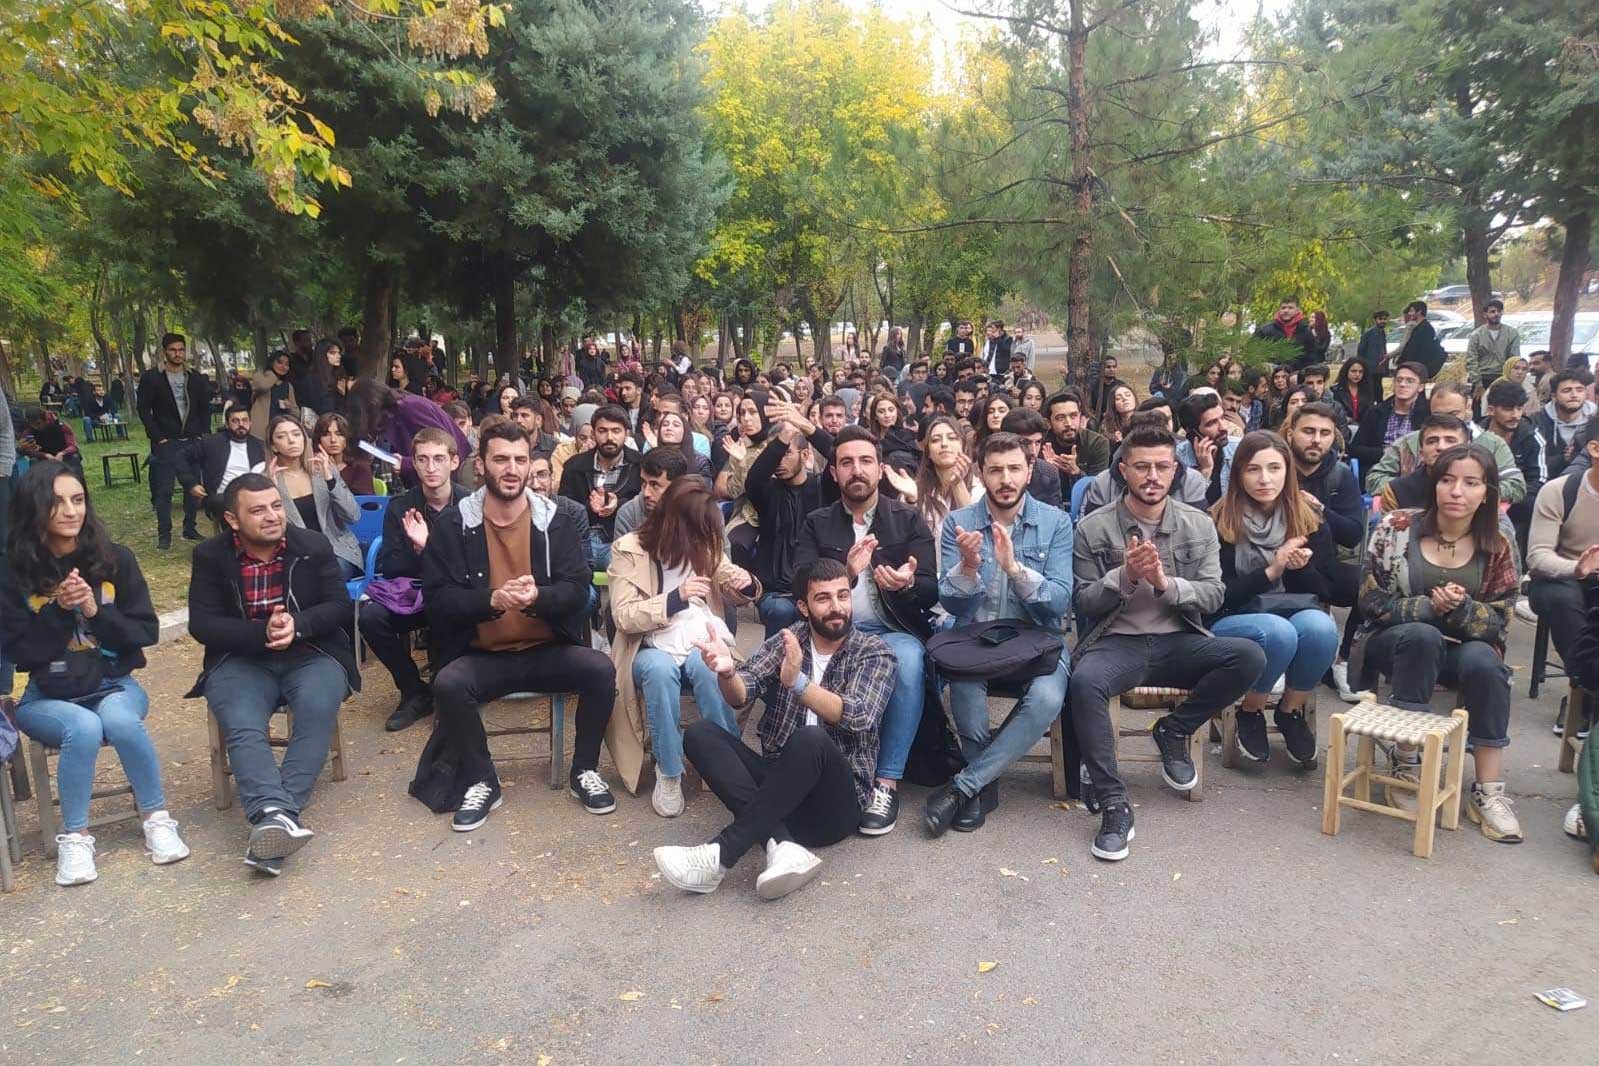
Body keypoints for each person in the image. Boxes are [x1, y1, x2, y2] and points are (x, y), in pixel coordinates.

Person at [1069, 425, 1266, 861]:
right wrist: (1124, 577)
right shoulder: (1093, 527)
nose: (1152, 475)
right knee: (1083, 682)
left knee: (1249, 655)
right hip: (1117, 640)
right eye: (1142, 466)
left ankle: (1174, 730)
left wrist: (1165, 583)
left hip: (1179, 639)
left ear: (1175, 470)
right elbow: (1082, 600)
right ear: (1124, 470)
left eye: (1162, 466)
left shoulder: (1198, 524)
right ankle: (1115, 804)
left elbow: (1215, 595)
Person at [651, 557, 893, 898]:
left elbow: (858, 715)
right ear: (803, 607)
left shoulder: (874, 652)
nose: (836, 607)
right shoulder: (788, 639)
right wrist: (726, 673)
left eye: (843, 595)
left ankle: (720, 855)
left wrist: (799, 684)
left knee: (811, 739)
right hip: (781, 785)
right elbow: (741, 693)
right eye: (823, 598)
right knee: (701, 734)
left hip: (835, 805)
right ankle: (781, 844)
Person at [423, 422, 618, 830]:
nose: (512, 469)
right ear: (480, 465)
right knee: (448, 683)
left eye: (520, 459)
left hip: (547, 649)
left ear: (531, 465)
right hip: (483, 654)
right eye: (500, 459)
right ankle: (482, 779)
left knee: (600, 668)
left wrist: (538, 598)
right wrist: (490, 600)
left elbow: (578, 588)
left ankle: (584, 769)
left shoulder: (557, 519)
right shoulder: (453, 525)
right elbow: (437, 602)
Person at [0, 461, 187, 886]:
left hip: (114, 682)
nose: (71, 510)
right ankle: (76, 838)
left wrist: (93, 609)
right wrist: (58, 612)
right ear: (34, 509)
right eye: (58, 502)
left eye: (78, 499)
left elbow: (144, 633)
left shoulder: (115, 559)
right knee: (83, 727)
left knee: (119, 717)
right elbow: (21, 653)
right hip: (48, 695)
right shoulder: (13, 573)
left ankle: (156, 817)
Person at [188, 473, 359, 875]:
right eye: (258, 510)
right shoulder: (211, 556)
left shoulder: (312, 546)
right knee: (243, 724)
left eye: (276, 506)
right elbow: (203, 624)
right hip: (241, 657)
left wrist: (297, 625)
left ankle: (272, 817)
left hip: (312, 652)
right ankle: (280, 818)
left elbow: (338, 606)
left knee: (317, 709)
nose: (272, 516)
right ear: (233, 520)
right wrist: (258, 633)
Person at [1354, 444, 1522, 843]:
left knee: (1486, 662)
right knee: (1422, 636)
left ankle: (1487, 790)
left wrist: (1461, 609)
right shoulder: (1395, 527)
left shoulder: (1498, 542)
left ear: (1487, 492)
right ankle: (1407, 762)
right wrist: (1427, 606)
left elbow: (1502, 620)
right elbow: (1369, 601)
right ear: (1433, 486)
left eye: (1470, 483)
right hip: (1394, 640)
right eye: (1447, 480)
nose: (1456, 492)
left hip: (1463, 645)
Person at [924, 431, 1074, 835]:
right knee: (966, 694)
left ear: (1028, 472)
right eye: (995, 470)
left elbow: (1059, 603)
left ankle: (966, 786)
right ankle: (981, 786)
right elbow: (953, 605)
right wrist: (969, 568)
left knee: (1046, 699)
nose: (1005, 479)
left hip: (1039, 642)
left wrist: (1014, 569)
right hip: (976, 642)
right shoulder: (960, 523)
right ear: (982, 473)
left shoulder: (1056, 522)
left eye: (1014, 469)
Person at [791, 425, 934, 835]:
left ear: (881, 469)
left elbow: (931, 587)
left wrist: (907, 583)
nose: (857, 470)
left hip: (892, 630)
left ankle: (885, 782)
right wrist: (846, 574)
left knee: (907, 660)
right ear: (833, 472)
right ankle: (813, 770)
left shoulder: (906, 519)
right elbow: (799, 585)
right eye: (847, 462)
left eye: (866, 461)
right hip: (833, 633)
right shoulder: (817, 523)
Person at [609, 479, 758, 817]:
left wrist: (744, 583)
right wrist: (676, 598)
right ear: (673, 521)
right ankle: (670, 771)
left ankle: (727, 760)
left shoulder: (702, 544)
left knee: (709, 666)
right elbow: (623, 616)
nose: (701, 539)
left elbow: (728, 575)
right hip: (644, 642)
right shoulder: (628, 548)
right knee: (660, 671)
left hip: (693, 635)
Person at [1207, 432, 1339, 765]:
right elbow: (1217, 597)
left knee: (1321, 627)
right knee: (1278, 632)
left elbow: (1329, 589)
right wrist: (1272, 570)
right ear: (1238, 474)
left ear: (1288, 471)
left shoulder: (1308, 518)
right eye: (1253, 469)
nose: (1265, 479)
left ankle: (1289, 711)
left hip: (1292, 611)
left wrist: (1299, 568)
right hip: (1231, 617)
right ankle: (1250, 712)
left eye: (1274, 468)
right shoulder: (1218, 520)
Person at [359, 428, 467, 733]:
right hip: (413, 596)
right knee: (370, 617)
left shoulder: (471, 504)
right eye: (423, 460)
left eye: (438, 459)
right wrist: (427, 553)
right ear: (414, 465)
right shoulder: (400, 507)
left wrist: (426, 547)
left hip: (456, 597)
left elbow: (472, 567)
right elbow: (391, 565)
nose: (431, 468)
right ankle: (413, 691)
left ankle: (449, 690)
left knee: (454, 608)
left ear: (454, 462)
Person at [1285, 403, 1368, 700]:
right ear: (1291, 432)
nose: (1316, 440)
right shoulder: (1272, 466)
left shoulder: (1340, 475)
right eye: (1308, 431)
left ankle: (1344, 661)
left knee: (1368, 585)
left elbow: (1353, 535)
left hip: (1324, 564)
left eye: (1325, 433)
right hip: (1277, 563)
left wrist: (1319, 509)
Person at [1526, 423, 1599, 707]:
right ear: (1594, 448)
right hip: (1561, 578)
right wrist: (1577, 568)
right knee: (1564, 598)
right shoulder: (1561, 490)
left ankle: (1584, 702)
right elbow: (1538, 555)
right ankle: (1585, 693)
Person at [1366, 381, 1525, 505]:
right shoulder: (1408, 442)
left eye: (1453, 413)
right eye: (1437, 414)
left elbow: (1516, 485)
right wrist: (1412, 489)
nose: (1447, 420)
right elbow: (1374, 478)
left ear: (1468, 407)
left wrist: (1472, 491)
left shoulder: (1493, 444)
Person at [745, 412, 830, 637]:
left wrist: (809, 428)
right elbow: (754, 478)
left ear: (805, 454)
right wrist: (782, 439)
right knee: (781, 610)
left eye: (786, 454)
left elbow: (839, 454)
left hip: (818, 586)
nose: (778, 462)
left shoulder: (823, 489)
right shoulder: (767, 491)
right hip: (775, 592)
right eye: (775, 456)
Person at [257, 415, 363, 580]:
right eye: (281, 436)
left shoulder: (323, 470)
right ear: (273, 446)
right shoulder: (266, 481)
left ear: (305, 440)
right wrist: (270, 492)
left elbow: (353, 516)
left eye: (296, 434)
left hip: (336, 550)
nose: (291, 440)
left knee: (331, 574)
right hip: (294, 556)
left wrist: (330, 481)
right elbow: (264, 532)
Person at [137, 332, 212, 548]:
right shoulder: (152, 378)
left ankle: (189, 528)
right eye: (173, 350)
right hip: (165, 441)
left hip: (192, 439)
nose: (178, 354)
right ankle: (164, 535)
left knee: (193, 487)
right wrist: (157, 436)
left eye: (181, 350)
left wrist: (203, 434)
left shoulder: (195, 378)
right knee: (164, 490)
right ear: (164, 352)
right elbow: (143, 409)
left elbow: (204, 408)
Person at [556, 404, 640, 571]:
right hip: (584, 541)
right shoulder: (574, 466)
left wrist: (619, 505)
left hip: (624, 540)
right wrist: (590, 507)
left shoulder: (640, 465)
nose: (609, 437)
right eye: (603, 431)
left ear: (626, 434)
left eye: (616, 431)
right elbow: (565, 510)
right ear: (593, 433)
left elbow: (646, 503)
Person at [1481, 379, 1548, 560]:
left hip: (1517, 501)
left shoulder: (1532, 437)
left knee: (1534, 504)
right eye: (1508, 409)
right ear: (1491, 409)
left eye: (1519, 408)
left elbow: (1539, 480)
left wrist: (1506, 500)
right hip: (1479, 497)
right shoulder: (1476, 434)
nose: (1515, 415)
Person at [179, 402, 266, 525]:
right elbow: (180, 457)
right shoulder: (212, 443)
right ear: (227, 423)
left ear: (251, 422)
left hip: (254, 496)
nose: (241, 425)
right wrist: (191, 483)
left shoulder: (259, 446)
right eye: (235, 421)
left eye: (245, 420)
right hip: (222, 498)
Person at [1349, 362, 1430, 483]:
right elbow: (1355, 449)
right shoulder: (1376, 412)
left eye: (1410, 381)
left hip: (1416, 475)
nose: (1403, 384)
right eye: (1399, 380)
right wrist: (1385, 452)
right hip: (1379, 472)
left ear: (1421, 387)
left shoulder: (1427, 414)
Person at [1378, 415, 1469, 511]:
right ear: (1421, 453)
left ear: (1467, 448)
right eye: (1432, 441)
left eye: (1450, 441)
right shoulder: (1397, 491)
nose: (1441, 447)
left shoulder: (1482, 486)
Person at [1530, 369, 1596, 482]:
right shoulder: (1537, 422)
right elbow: (1531, 463)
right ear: (1554, 396)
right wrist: (1563, 459)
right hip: (1545, 484)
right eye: (1566, 390)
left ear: (1586, 393)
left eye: (1579, 390)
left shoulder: (1595, 421)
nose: (1574, 395)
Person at [1040, 389, 1110, 496]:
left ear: (1080, 416)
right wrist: (1047, 471)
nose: (1068, 423)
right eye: (1060, 418)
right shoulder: (1040, 444)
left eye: (1073, 416)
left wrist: (1077, 473)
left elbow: (1100, 489)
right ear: (1049, 422)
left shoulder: (1097, 443)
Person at [1176, 392, 1238, 502]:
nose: (1223, 427)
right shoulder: (1177, 459)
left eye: (1222, 418)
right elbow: (1184, 508)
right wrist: (1205, 470)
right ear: (1192, 432)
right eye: (1211, 423)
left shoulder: (1239, 448)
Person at [1466, 299, 1522, 391]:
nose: (1496, 314)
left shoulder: (1512, 333)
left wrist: (1510, 380)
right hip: (1483, 379)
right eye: (1492, 311)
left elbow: (1514, 358)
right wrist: (1478, 384)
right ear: (1485, 314)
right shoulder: (1476, 335)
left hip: (1504, 379)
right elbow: (1471, 360)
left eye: (1499, 311)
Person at [312, 412, 374, 495]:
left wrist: (332, 475)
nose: (333, 440)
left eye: (339, 434)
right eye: (326, 434)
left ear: (346, 438)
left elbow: (367, 505)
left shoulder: (360, 467)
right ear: (318, 439)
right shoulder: (311, 468)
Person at [1253, 296, 1318, 369]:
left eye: (1290, 308)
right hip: (1271, 373)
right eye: (1283, 308)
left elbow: (1312, 357)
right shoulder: (1264, 330)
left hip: (1297, 374)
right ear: (1279, 310)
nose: (1286, 310)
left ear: (1297, 310)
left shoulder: (1306, 332)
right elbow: (1253, 353)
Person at [249, 350, 298, 442]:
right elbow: (263, 386)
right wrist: (271, 374)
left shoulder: (288, 386)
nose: (283, 367)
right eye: (279, 362)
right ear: (271, 363)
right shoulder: (259, 377)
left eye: (287, 364)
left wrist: (290, 407)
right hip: (260, 432)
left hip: (280, 431)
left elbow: (296, 412)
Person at [19, 405, 83, 476]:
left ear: (45, 420)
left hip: (64, 456)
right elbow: (28, 451)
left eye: (38, 423)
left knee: (74, 458)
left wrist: (62, 453)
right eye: (32, 424)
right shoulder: (28, 432)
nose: (36, 427)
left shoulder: (61, 426)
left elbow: (73, 446)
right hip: (43, 458)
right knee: (34, 461)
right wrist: (45, 455)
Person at [1396, 301, 1447, 380]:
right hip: (1413, 367)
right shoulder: (1418, 327)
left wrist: (1417, 368)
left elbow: (1423, 351)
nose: (1409, 313)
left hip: (1418, 368)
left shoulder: (1425, 329)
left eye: (1412, 311)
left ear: (1419, 312)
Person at [1329, 357, 1375, 430]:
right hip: (1343, 427)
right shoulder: (1335, 391)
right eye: (1353, 371)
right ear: (1346, 371)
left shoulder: (1368, 390)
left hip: (1363, 428)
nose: (1357, 374)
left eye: (1360, 372)